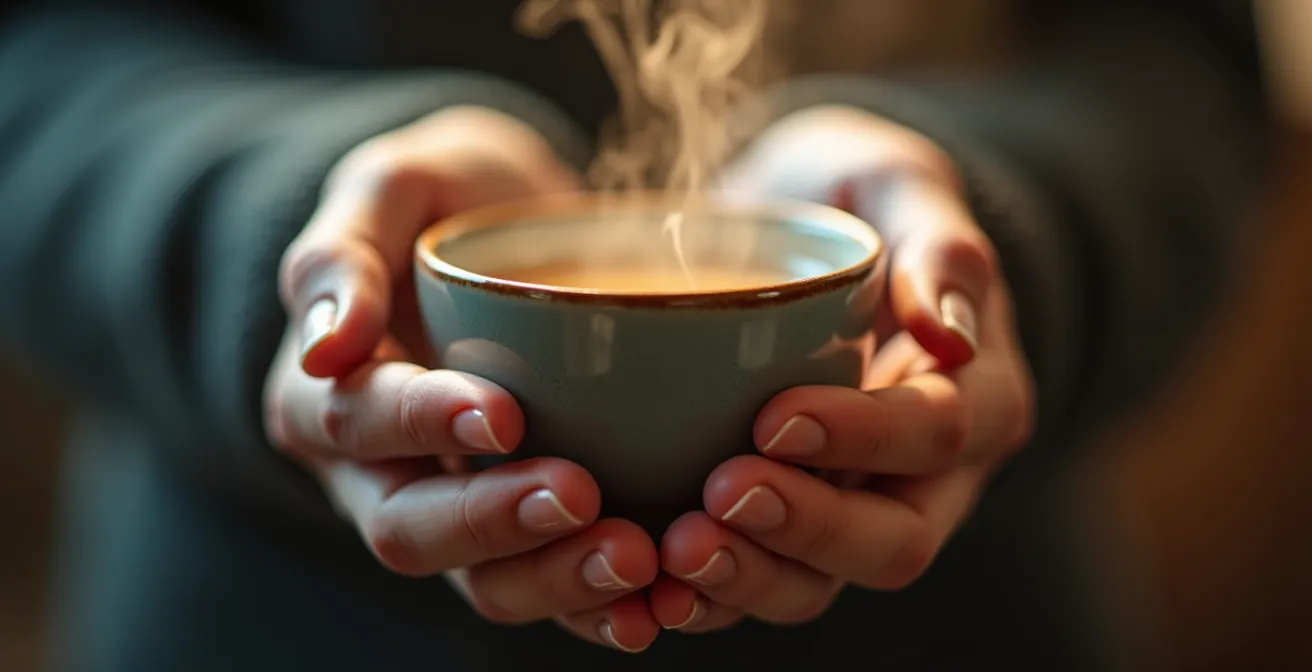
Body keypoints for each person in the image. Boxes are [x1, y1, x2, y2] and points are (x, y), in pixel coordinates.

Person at [0, 0, 1266, 670]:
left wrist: (996, 241)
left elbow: (1180, 64)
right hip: (264, 620)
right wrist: (283, 234)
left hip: (960, 617)